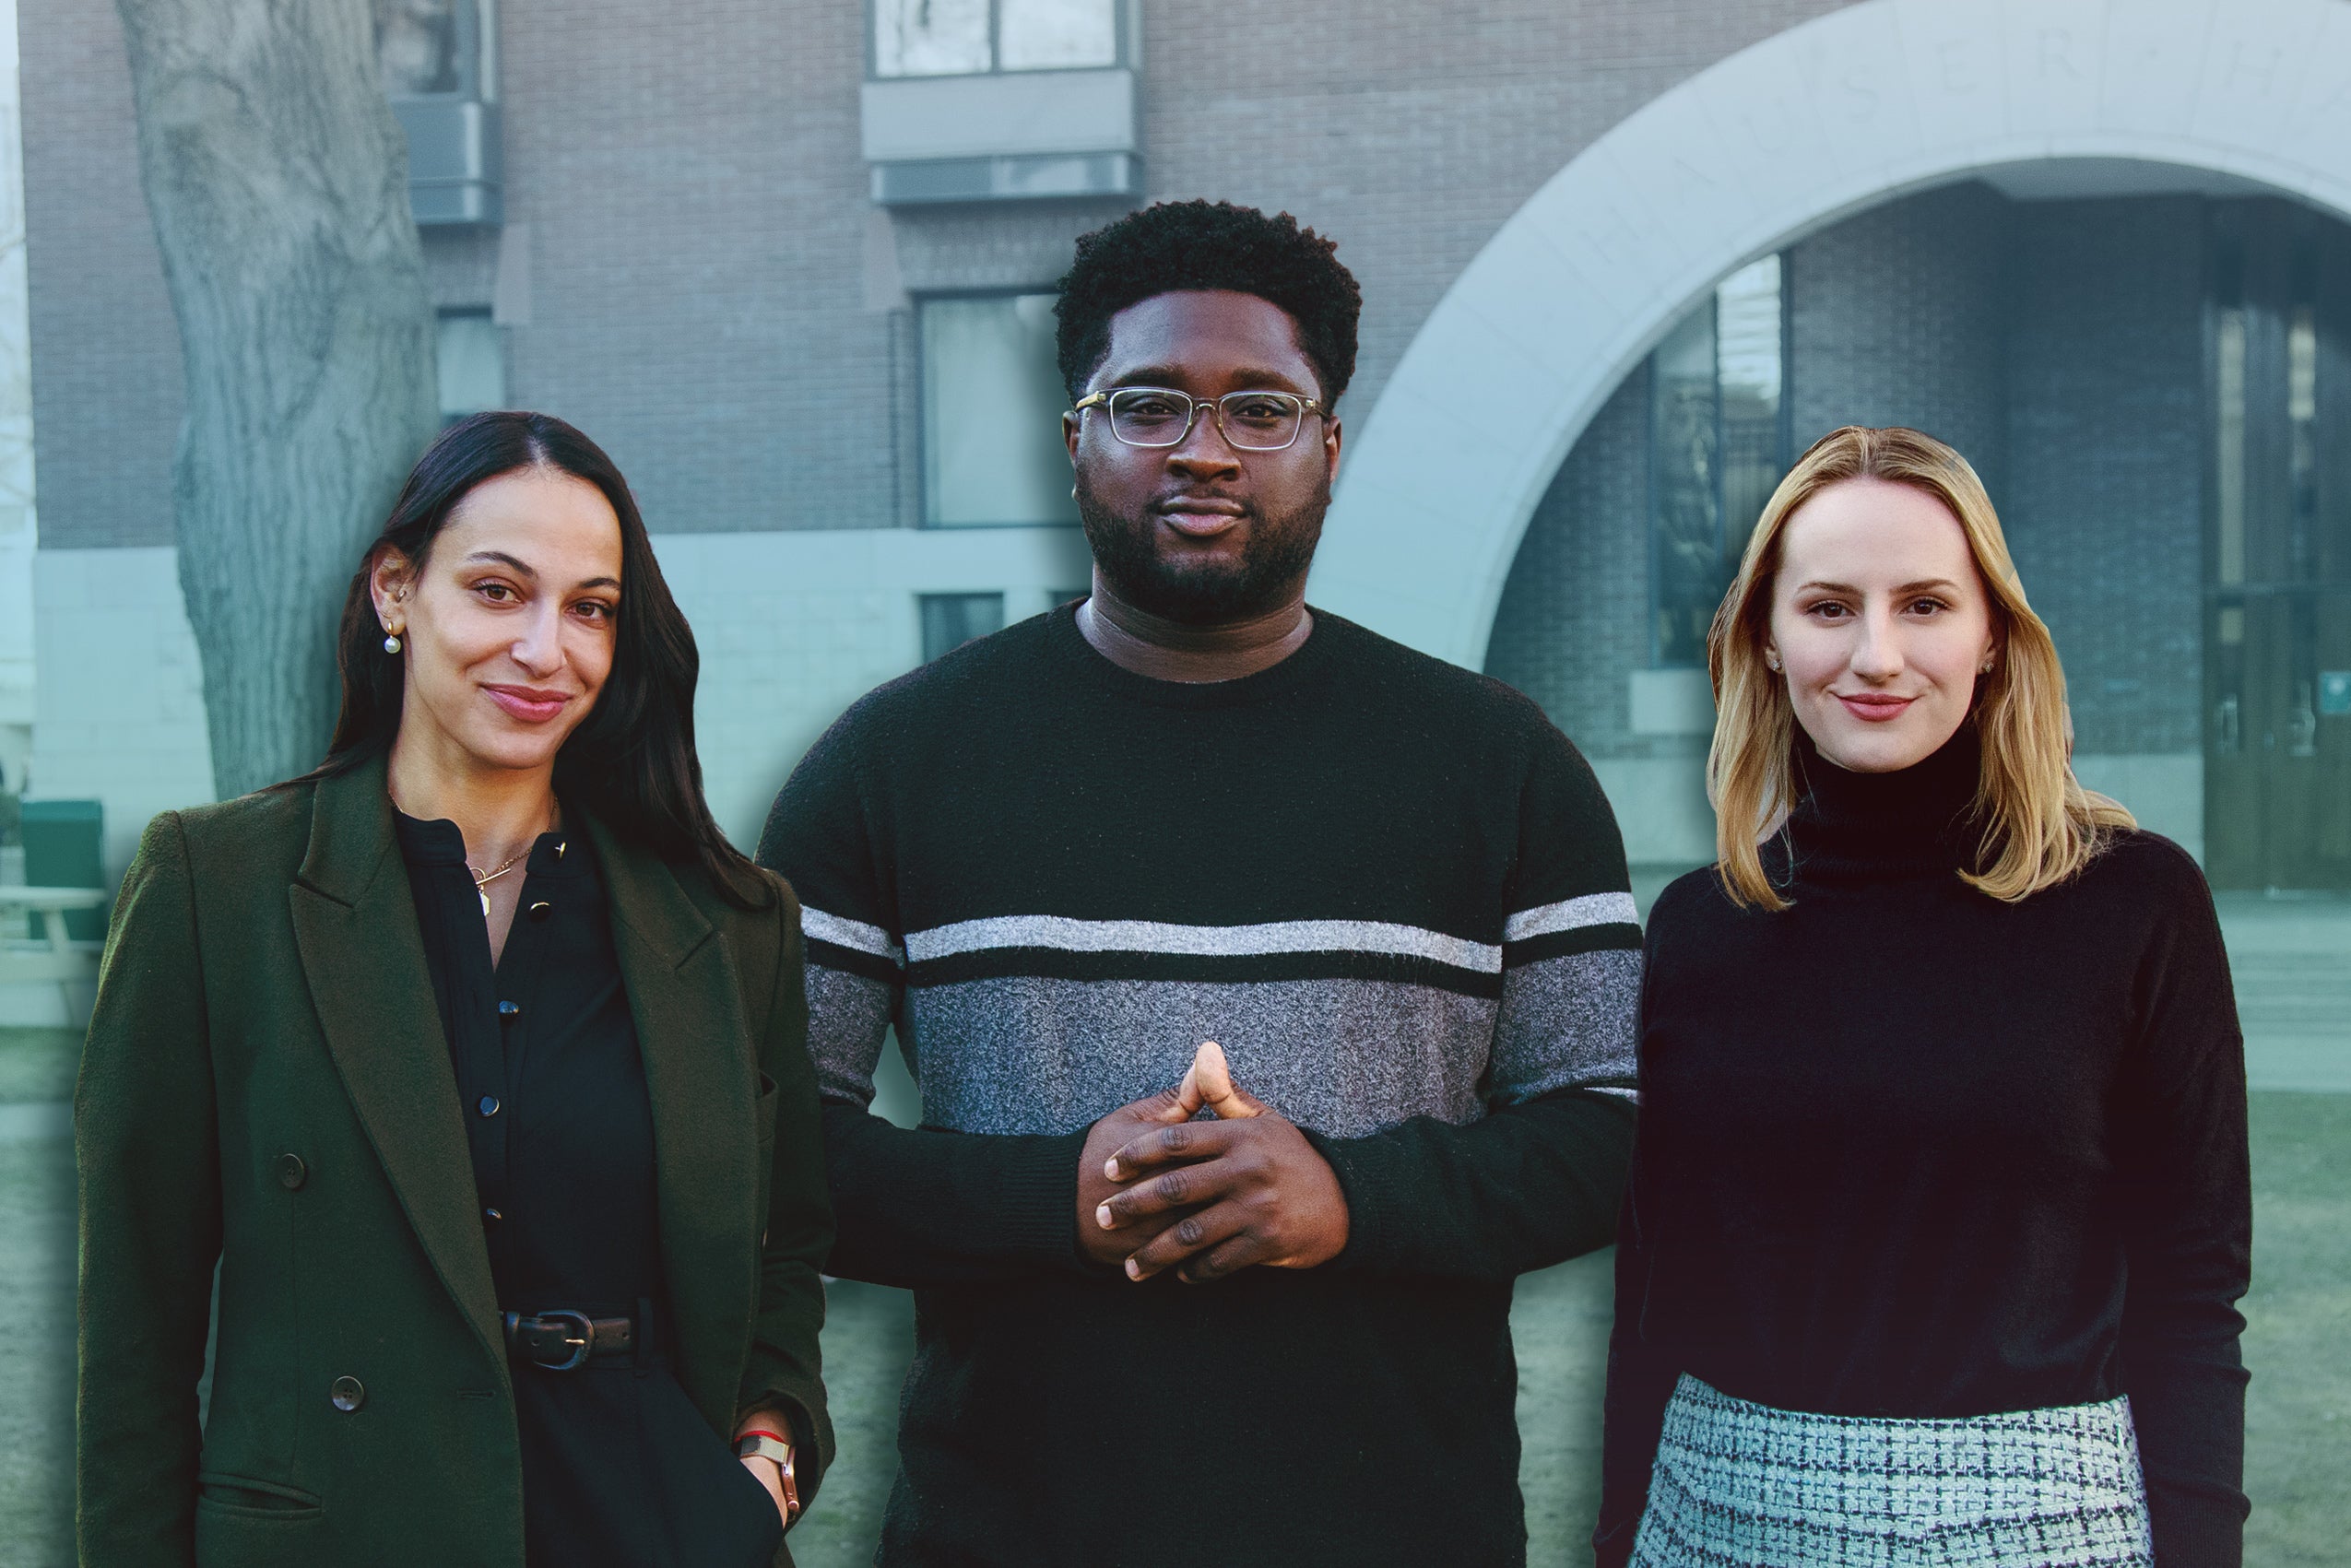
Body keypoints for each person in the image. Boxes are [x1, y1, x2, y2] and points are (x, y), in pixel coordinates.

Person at [757, 199, 1642, 1565]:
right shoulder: (894, 760)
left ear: (1329, 447)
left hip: (1401, 1530)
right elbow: (762, 1148)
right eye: (1149, 404)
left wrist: (1351, 1198)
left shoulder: (1497, 762)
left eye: (1262, 410)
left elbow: (1614, 1126)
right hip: (1009, 1532)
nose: (1206, 451)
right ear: (1077, 441)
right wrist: (1061, 1196)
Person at [77, 411, 833, 1568]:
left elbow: (784, 1246)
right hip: (342, 1531)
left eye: (590, 608)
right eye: (496, 590)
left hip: (655, 1527)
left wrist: (768, 1463)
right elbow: (136, 1329)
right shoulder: (214, 887)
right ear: (396, 591)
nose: (547, 649)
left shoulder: (731, 921)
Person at [1595, 426, 2251, 1567]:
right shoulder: (1698, 930)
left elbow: (2194, 1290)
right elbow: (1652, 1291)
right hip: (1717, 1523)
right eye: (1831, 607)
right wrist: (1616, 1540)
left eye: (1928, 605)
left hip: (2045, 1530)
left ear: (1995, 634)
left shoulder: (2138, 904)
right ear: (1764, 638)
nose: (1878, 656)